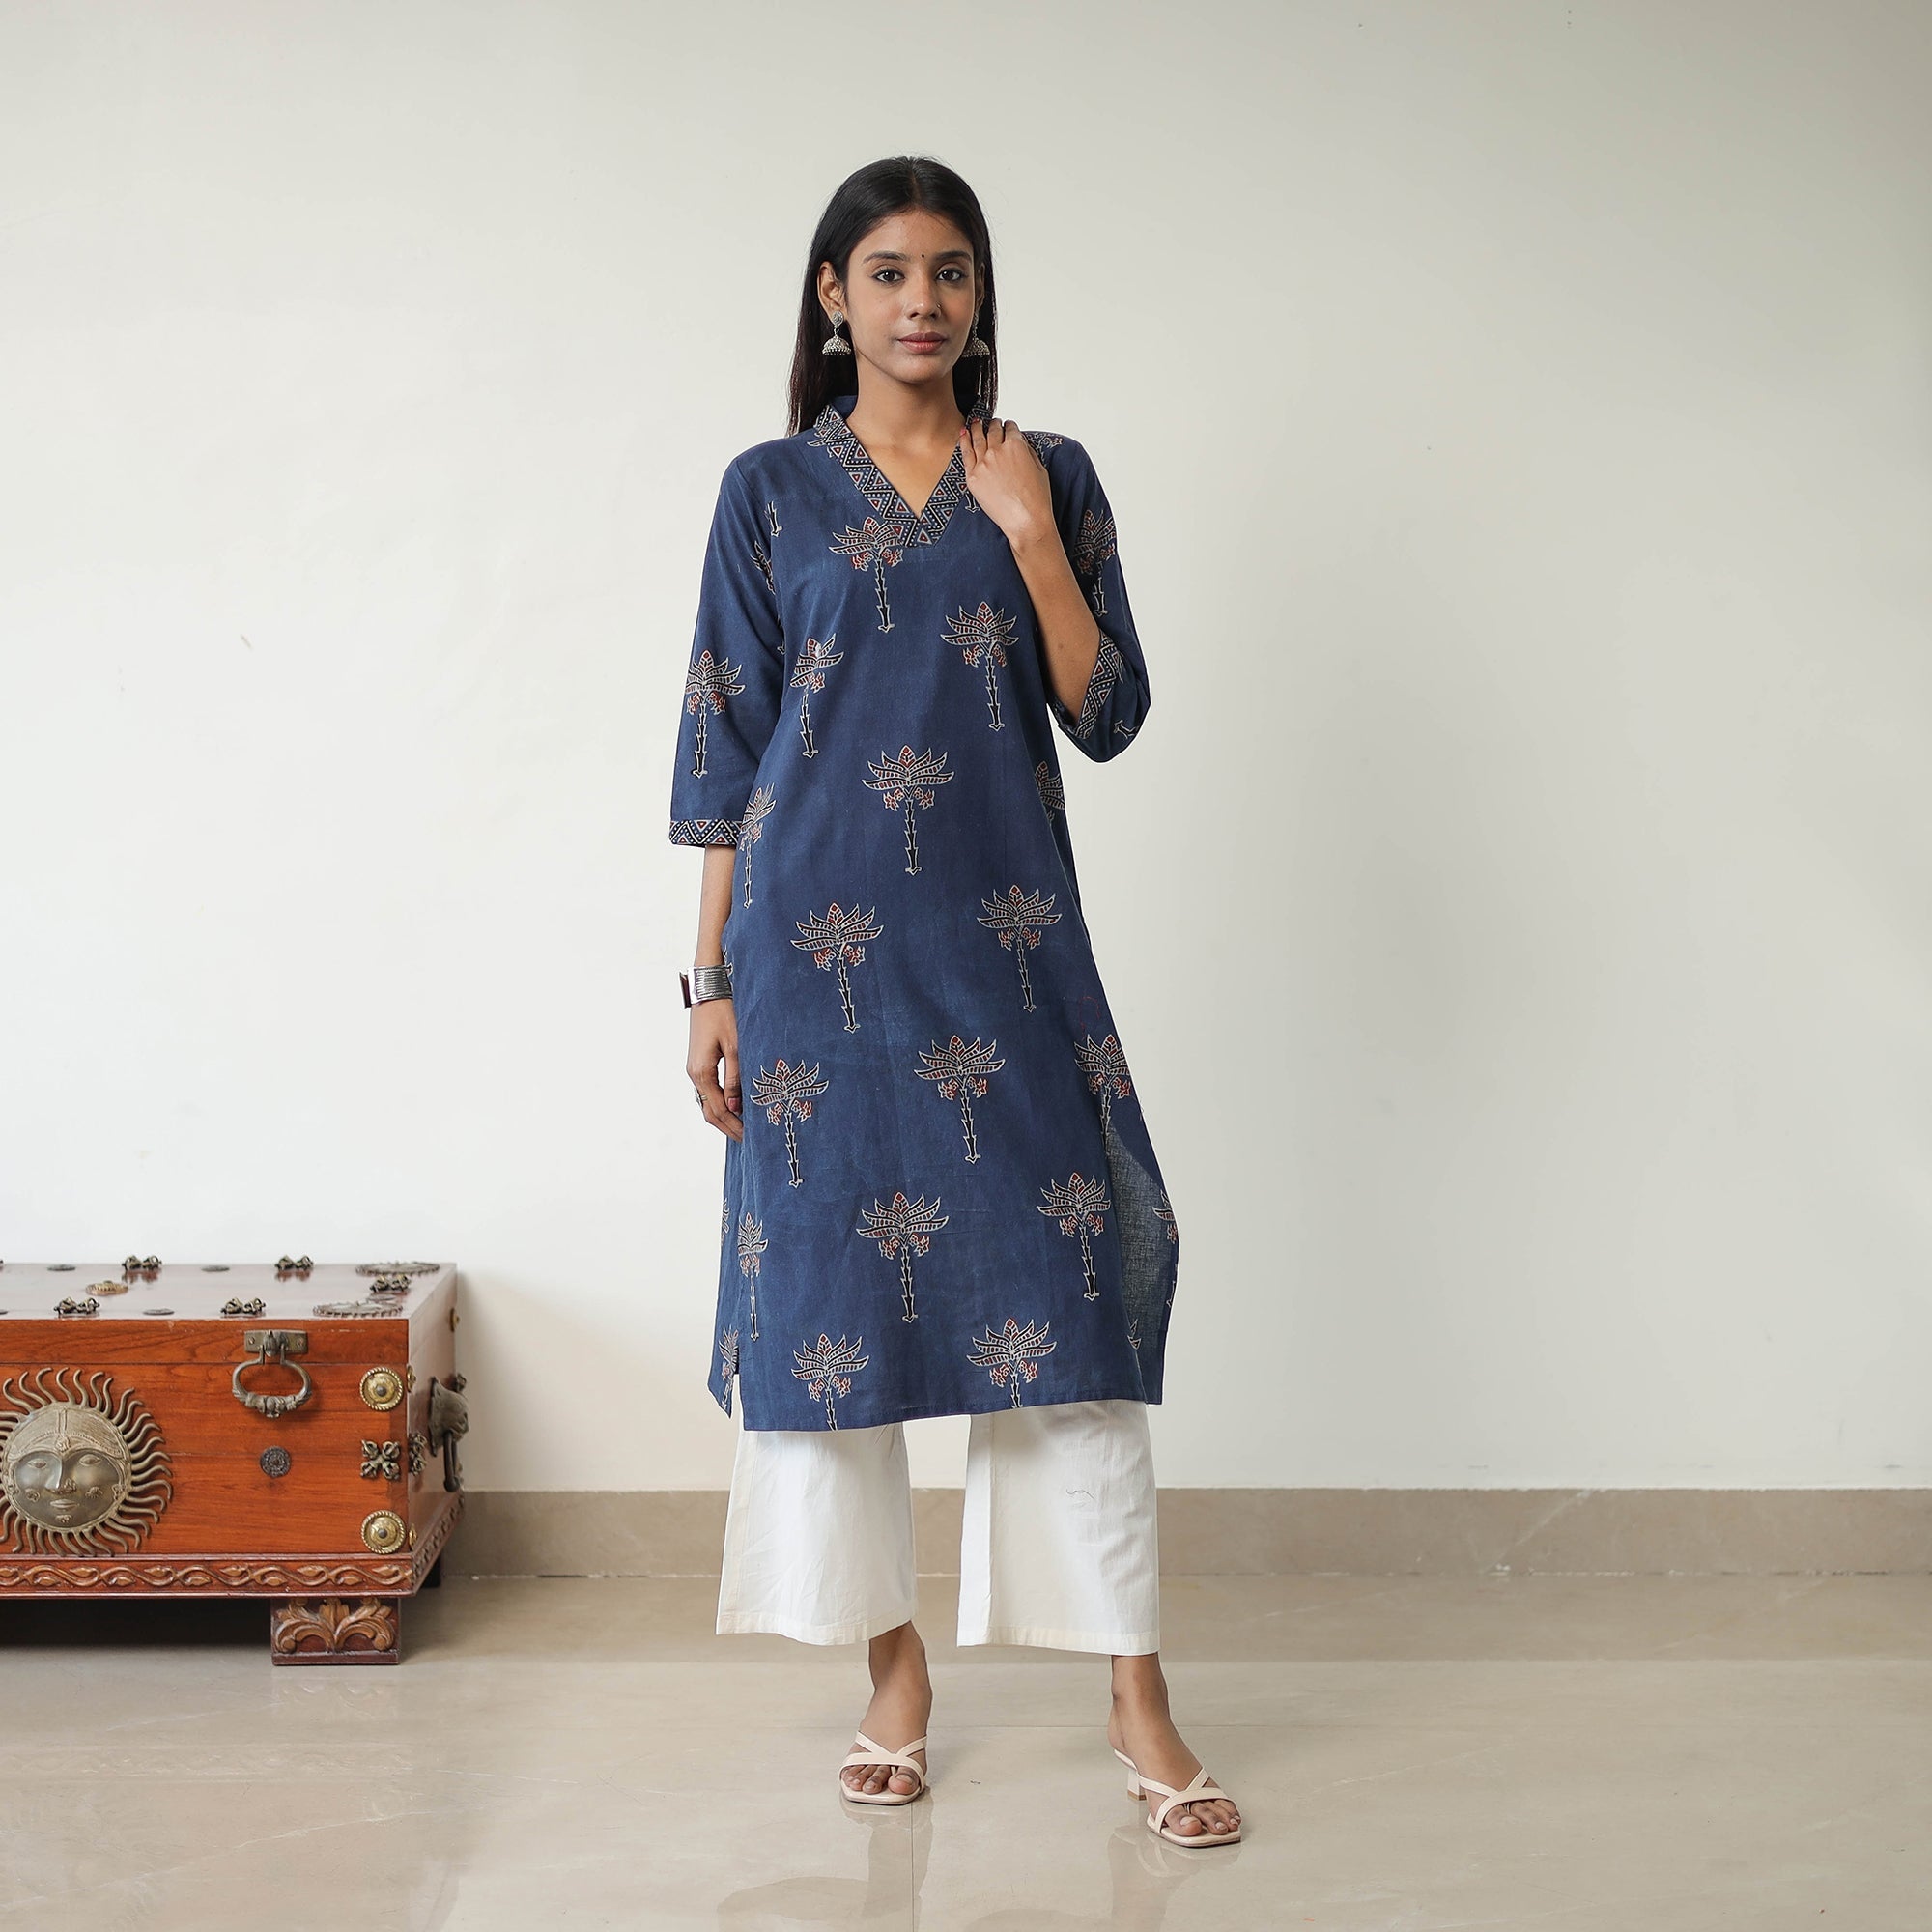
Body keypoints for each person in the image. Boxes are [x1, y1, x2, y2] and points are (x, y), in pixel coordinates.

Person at [668, 156, 1242, 1848]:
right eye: (890, 271)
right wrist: (709, 982)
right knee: (831, 1321)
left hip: (1006, 951)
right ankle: (895, 1675)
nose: (923, 301)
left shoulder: (1045, 470)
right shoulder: (770, 490)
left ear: (979, 297)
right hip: (810, 966)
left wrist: (1030, 535)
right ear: (832, 297)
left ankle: (1135, 1698)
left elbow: (1107, 709)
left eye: (953, 272)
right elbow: (725, 745)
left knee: (1071, 1308)